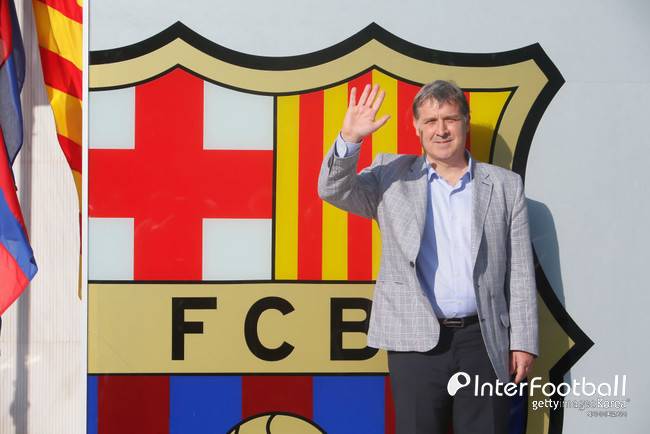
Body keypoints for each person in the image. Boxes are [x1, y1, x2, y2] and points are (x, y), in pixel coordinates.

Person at [318, 80, 538, 434]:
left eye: (450, 118)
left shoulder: (504, 185)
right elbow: (332, 189)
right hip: (414, 342)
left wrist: (524, 342)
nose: (441, 129)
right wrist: (350, 138)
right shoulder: (390, 176)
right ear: (416, 127)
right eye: (431, 121)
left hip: (484, 341)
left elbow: (521, 272)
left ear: (465, 122)